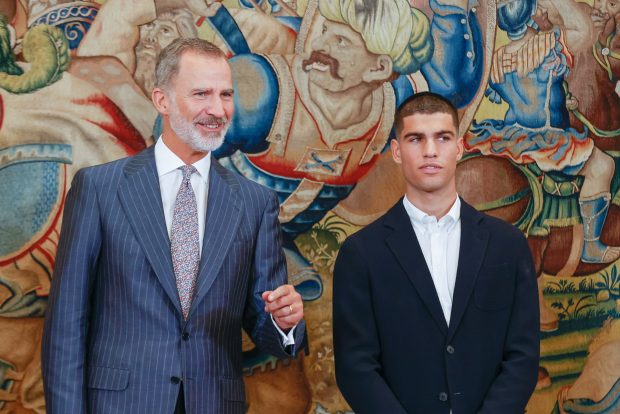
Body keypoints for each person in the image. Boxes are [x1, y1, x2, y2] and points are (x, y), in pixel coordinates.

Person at [41, 38, 305, 414]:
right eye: (202, 94)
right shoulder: (99, 189)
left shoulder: (255, 203)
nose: (218, 109)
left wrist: (284, 321)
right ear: (161, 100)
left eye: (226, 94)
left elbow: (266, 327)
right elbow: (66, 327)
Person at [333, 92, 539, 414]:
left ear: (458, 147)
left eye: (442, 138)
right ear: (397, 151)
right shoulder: (361, 254)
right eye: (416, 139)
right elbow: (355, 368)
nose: (430, 151)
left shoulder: (508, 244)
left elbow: (522, 357)